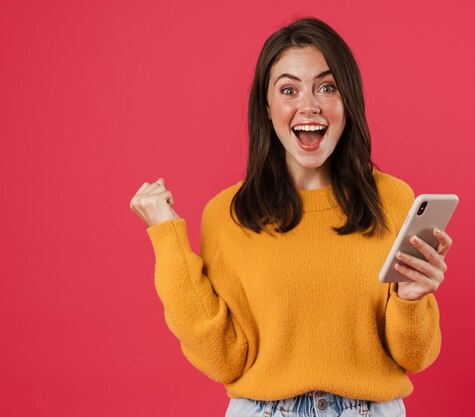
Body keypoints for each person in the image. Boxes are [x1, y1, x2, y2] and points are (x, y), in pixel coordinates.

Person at [130, 16, 453, 417]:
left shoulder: (391, 199)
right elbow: (223, 358)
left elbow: (415, 356)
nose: (309, 106)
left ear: (347, 101)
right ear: (267, 108)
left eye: (327, 86)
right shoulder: (228, 213)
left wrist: (411, 299)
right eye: (288, 89)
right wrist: (165, 233)